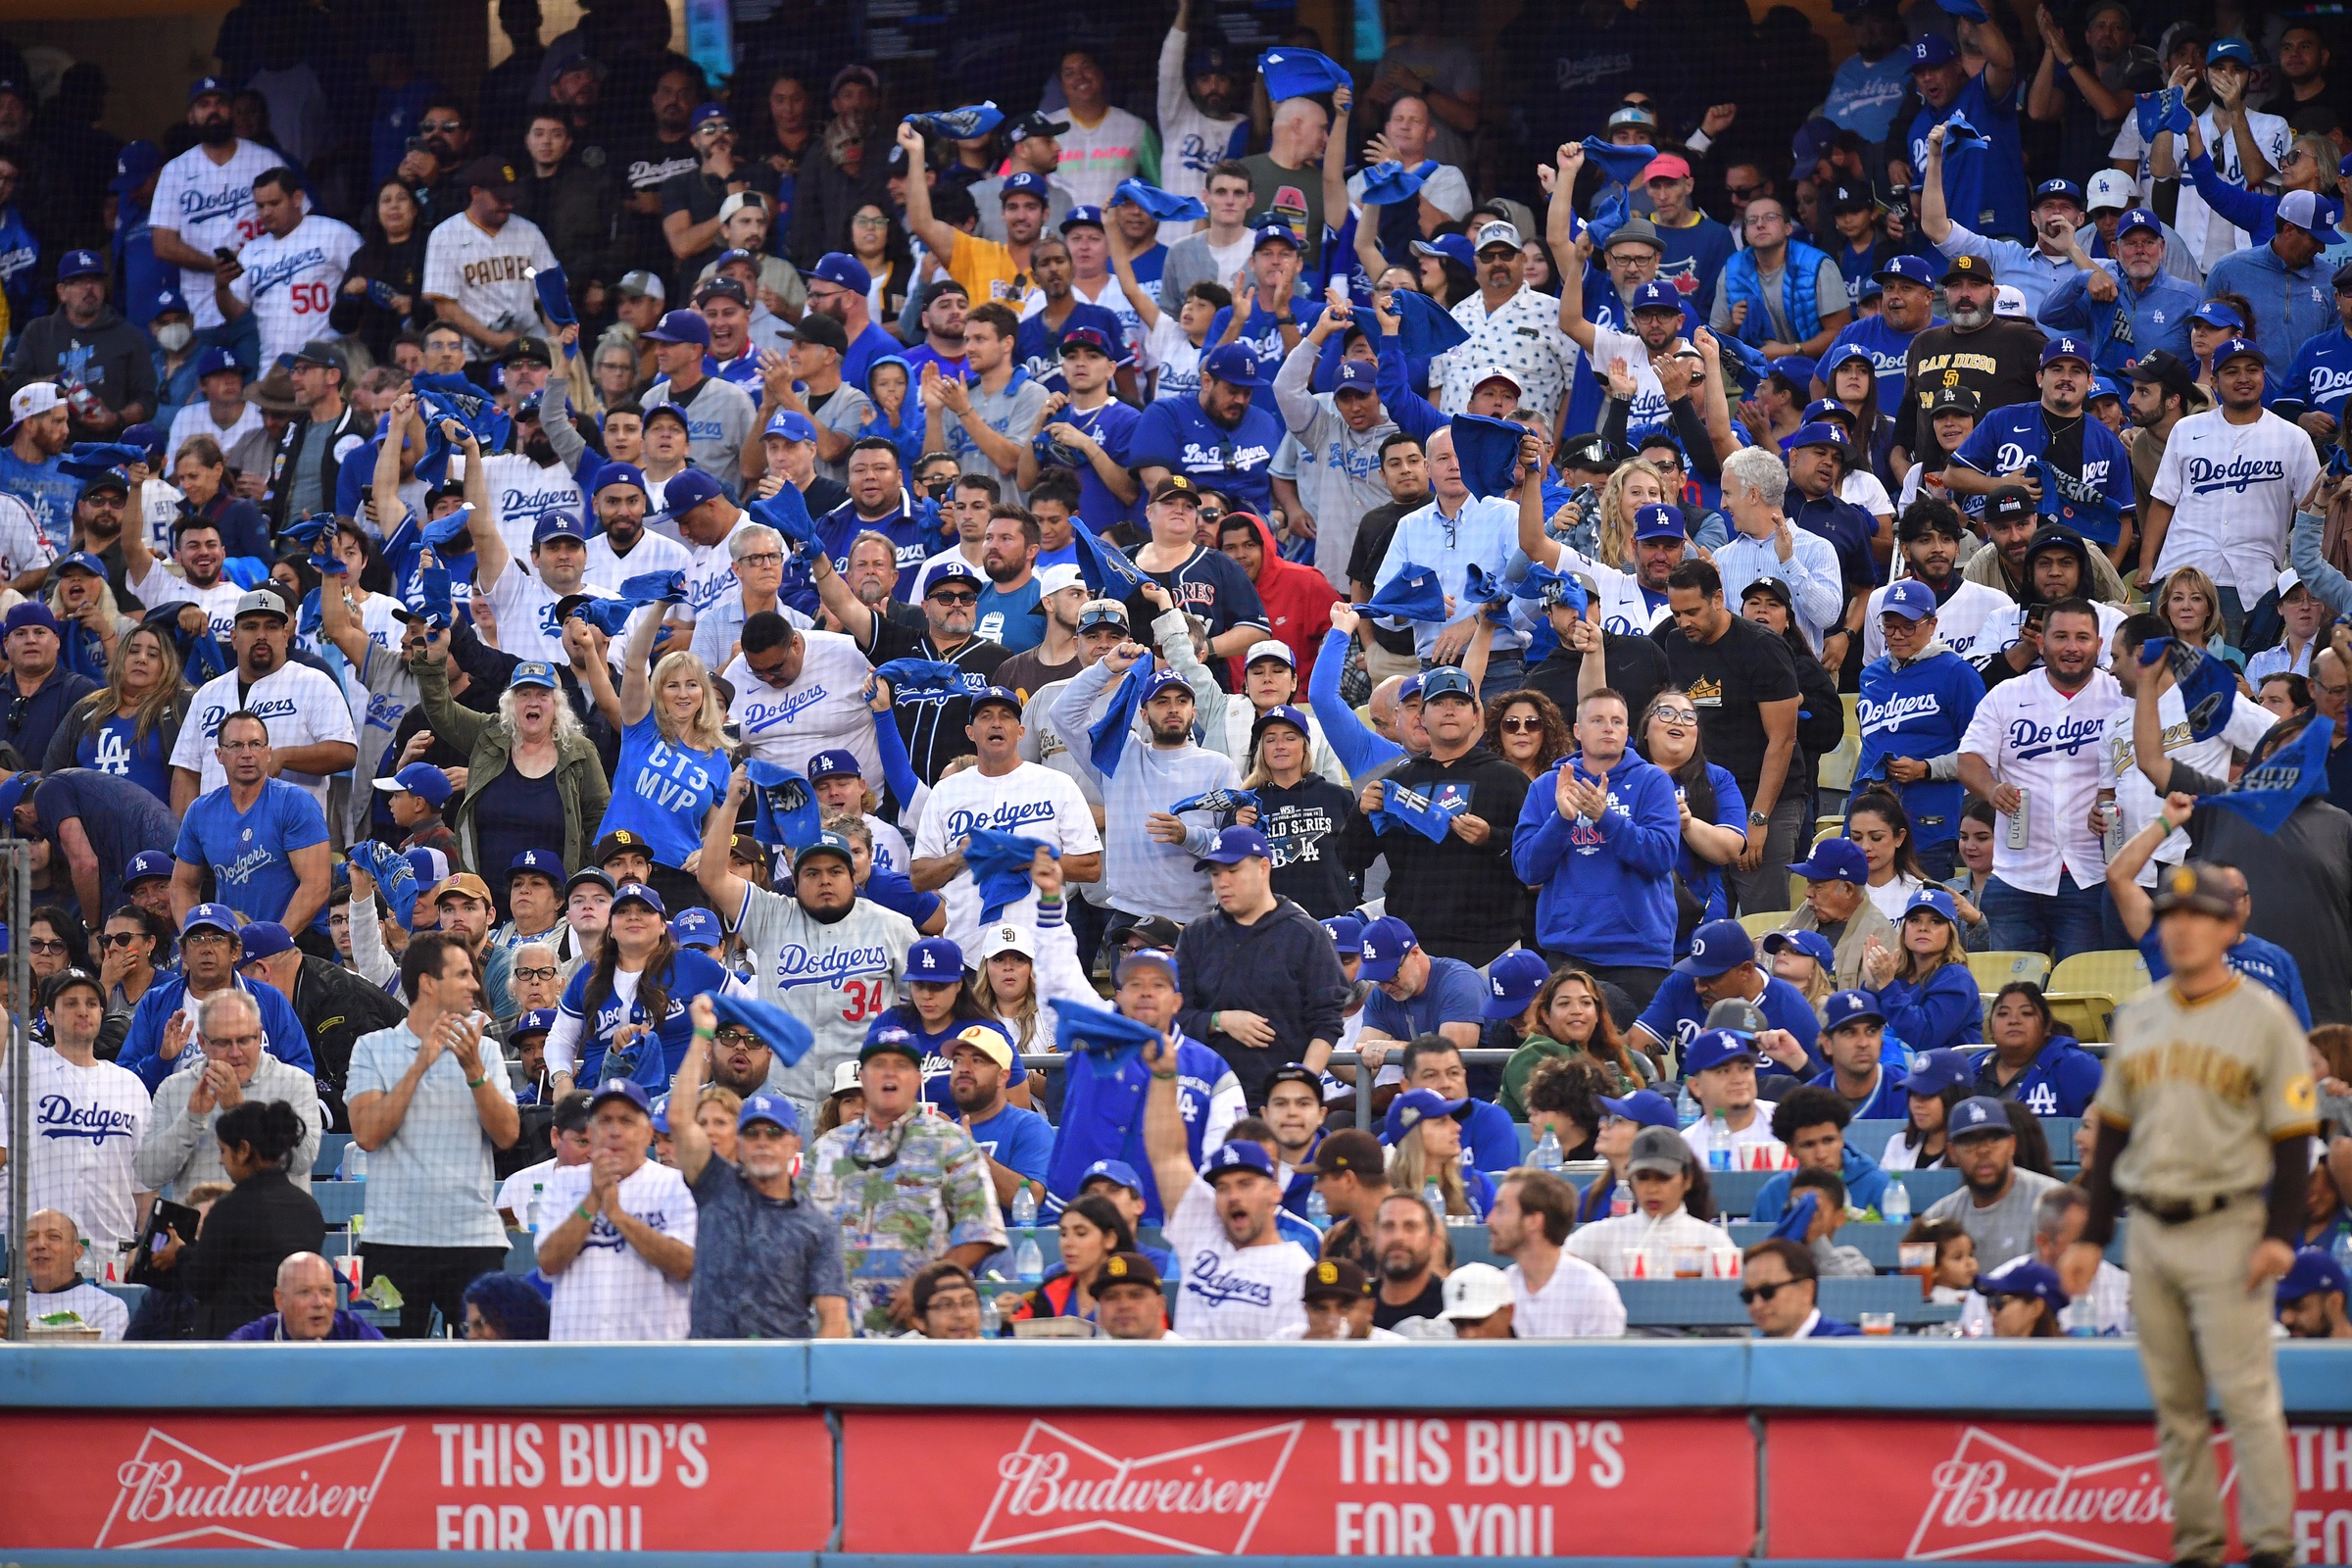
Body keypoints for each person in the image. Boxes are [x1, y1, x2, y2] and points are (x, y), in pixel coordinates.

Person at [2067, 862, 2314, 1568]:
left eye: (2197, 917)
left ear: (2229, 928)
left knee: (2246, 1397)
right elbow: (2113, 1130)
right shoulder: (2142, 1012)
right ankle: (2199, 1545)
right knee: (2175, 1406)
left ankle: (2272, 1547)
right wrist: (2092, 1235)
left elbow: (2294, 1139)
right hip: (2148, 1227)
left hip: (2229, 1225)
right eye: (2171, 917)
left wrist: (2278, 1235)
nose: (2180, 929)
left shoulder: (2265, 1018)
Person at [697, 778, 916, 1124]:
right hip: (784, 1102)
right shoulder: (770, 914)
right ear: (795, 882)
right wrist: (732, 806)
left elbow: (920, 1012)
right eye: (812, 872)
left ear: (853, 877)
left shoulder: (893, 926)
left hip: (861, 1101)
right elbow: (711, 876)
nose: (825, 880)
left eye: (835, 871)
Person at [345, 933, 522, 1338]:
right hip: (392, 1241)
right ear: (428, 983)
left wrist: (474, 1071)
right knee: (384, 1369)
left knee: (481, 1370)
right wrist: (419, 1065)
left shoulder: (486, 1051)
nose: (475, 985)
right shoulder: (372, 1048)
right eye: (462, 974)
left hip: (473, 1240)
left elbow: (508, 1136)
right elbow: (368, 1135)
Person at [806, 1025, 1005, 1335]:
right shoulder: (824, 1150)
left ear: (918, 1078)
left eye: (901, 1066)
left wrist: (925, 1285)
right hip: (835, 1330)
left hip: (918, 1330)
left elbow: (981, 1230)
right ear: (862, 1077)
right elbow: (795, 1233)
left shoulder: (951, 1143)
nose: (890, 1074)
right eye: (879, 1065)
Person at [1956, 599, 2123, 960]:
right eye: (2060, 636)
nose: (2072, 647)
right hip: (2017, 874)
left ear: (2099, 643)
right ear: (2041, 642)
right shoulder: (2008, 694)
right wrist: (1991, 789)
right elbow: (1968, 760)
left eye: (2083, 637)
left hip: (2090, 875)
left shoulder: (2121, 697)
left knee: (2078, 992)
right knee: (2012, 996)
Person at [1140, 1023, 1315, 1339]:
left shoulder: (1297, 1270)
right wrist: (1164, 1076)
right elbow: (1166, 1154)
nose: (1233, 1196)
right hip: (1188, 1384)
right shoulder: (1203, 1226)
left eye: (1246, 1184)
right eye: (1223, 1187)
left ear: (1275, 1191)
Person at [1514, 686, 1682, 1003]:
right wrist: (1561, 820)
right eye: (1598, 720)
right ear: (1577, 730)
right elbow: (1527, 870)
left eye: (1618, 721)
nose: (1609, 728)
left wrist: (1604, 817)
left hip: (1637, 954)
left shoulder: (1653, 780)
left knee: (1632, 1052)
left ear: (1628, 730)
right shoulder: (1547, 786)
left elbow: (1661, 856)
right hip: (1567, 950)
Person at [2140, 338, 2322, 627]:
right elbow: (2164, 501)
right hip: (2182, 569)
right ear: (2214, 379)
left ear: (2264, 375)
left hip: (2253, 579)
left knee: (2239, 669)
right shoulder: (2187, 429)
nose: (2243, 379)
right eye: (2232, 371)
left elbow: (2313, 511)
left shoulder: (2293, 438)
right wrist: (2146, 563)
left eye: (2252, 370)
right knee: (2169, 666)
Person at [1655, 561, 1802, 913]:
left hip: (1766, 797)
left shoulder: (1761, 647)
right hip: (1705, 798)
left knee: (1761, 922)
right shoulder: (1675, 643)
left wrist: (1758, 819)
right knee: (1703, 916)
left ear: (1718, 599)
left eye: (1692, 611)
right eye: (1676, 613)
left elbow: (1782, 740)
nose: (1683, 622)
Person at [0, 967, 152, 1255]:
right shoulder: (27, 1066)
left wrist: (141, 1251)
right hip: (39, 1255)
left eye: (91, 1004)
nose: (83, 1011)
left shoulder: (129, 1085)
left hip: (113, 1255)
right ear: (48, 1015)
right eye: (70, 1003)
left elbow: (144, 1184)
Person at [167, 588, 357, 817]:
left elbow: (345, 753)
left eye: (271, 626)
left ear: (286, 636)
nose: (261, 635)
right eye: (250, 627)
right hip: (217, 838)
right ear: (234, 638)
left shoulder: (315, 683)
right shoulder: (207, 694)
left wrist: (283, 757)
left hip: (289, 837)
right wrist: (183, 843)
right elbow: (187, 772)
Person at [534, 1077, 696, 1341]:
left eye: (626, 1121)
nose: (614, 1131)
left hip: (653, 1356)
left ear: (647, 1134)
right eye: (605, 1121)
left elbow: (684, 1265)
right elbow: (549, 1262)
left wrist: (618, 1217)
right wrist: (592, 1201)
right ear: (593, 1131)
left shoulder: (675, 1186)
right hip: (578, 1354)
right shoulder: (563, 1183)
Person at [157, 1096, 325, 1340]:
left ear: (244, 1150)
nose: (220, 1159)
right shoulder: (309, 1208)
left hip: (233, 1347)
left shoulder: (229, 1209)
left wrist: (180, 1252)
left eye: (223, 1150)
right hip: (289, 1343)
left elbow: (200, 1282)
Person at [1853, 579, 1987, 882]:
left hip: (1929, 821)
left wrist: (1926, 769)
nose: (1897, 635)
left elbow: (1982, 753)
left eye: (1909, 626)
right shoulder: (1870, 675)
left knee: (1924, 914)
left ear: (1932, 624)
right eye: (1890, 626)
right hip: (1871, 824)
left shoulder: (1957, 673)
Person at [135, 985, 322, 1200]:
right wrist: (191, 1120)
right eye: (223, 1043)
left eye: (244, 1040)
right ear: (203, 1042)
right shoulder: (174, 1088)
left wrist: (239, 1111)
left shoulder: (295, 1083)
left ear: (259, 1035)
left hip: (274, 1227)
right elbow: (148, 1173)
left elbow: (302, 1160)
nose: (235, 1053)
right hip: (202, 1229)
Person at [1635, 921, 1820, 1076]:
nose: (1699, 987)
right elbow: (1636, 1047)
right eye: (1695, 974)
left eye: (1710, 977)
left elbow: (1824, 1082)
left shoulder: (1790, 1005)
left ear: (1745, 970)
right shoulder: (1681, 984)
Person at [1921, 1094, 2065, 1266]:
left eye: (1993, 1139)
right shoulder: (1939, 1218)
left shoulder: (2053, 1202)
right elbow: (1916, 1284)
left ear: (2012, 1145)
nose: (1983, 1150)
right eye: (1969, 1141)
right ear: (1952, 1153)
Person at [1499, 967, 1645, 1114]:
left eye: (1586, 1003)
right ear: (1545, 1015)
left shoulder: (1616, 1051)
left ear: (1597, 1014)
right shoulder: (1531, 1055)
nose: (1577, 1010)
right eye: (1564, 1004)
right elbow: (1566, 1119)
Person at [1859, 887, 1982, 1052]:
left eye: (1935, 921)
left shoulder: (1956, 978)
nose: (1923, 928)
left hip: (1942, 1073)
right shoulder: (1896, 974)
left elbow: (1923, 1038)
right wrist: (1872, 987)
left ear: (1950, 934)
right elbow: (1862, 1030)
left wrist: (1887, 987)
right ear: (1904, 931)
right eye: (1915, 920)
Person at [1750, 1082, 1894, 1221]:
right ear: (1791, 1149)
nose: (1821, 1155)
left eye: (1828, 1141)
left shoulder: (1879, 1185)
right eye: (1808, 1145)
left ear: (1841, 1138)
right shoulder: (1773, 1193)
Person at [0, 1209, 127, 1340]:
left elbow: (106, 1359)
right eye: (30, 1238)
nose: (40, 1245)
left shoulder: (107, 1307)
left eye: (54, 1236)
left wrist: (21, 1336)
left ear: (77, 1253)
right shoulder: (5, 1312)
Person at [224, 1251, 387, 1342]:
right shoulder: (249, 1342)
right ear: (280, 1300)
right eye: (305, 1292)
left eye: (326, 1291)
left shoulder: (355, 1332)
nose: (318, 1303)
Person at [1302, 1127, 1392, 1274]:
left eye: (1321, 1178)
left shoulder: (1418, 1229)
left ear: (1348, 1180)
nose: (1316, 1188)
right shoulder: (1336, 1238)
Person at [1740, 1236, 1860, 1338]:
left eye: (1767, 1292)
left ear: (1806, 1291)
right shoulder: (1751, 1355)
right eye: (1748, 1296)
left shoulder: (1847, 1346)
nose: (1757, 1305)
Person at [2278, 1249, 2352, 1339]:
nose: (2286, 1319)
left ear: (2335, 1302)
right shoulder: (2276, 1350)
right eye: (2283, 1307)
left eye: (2298, 1307)